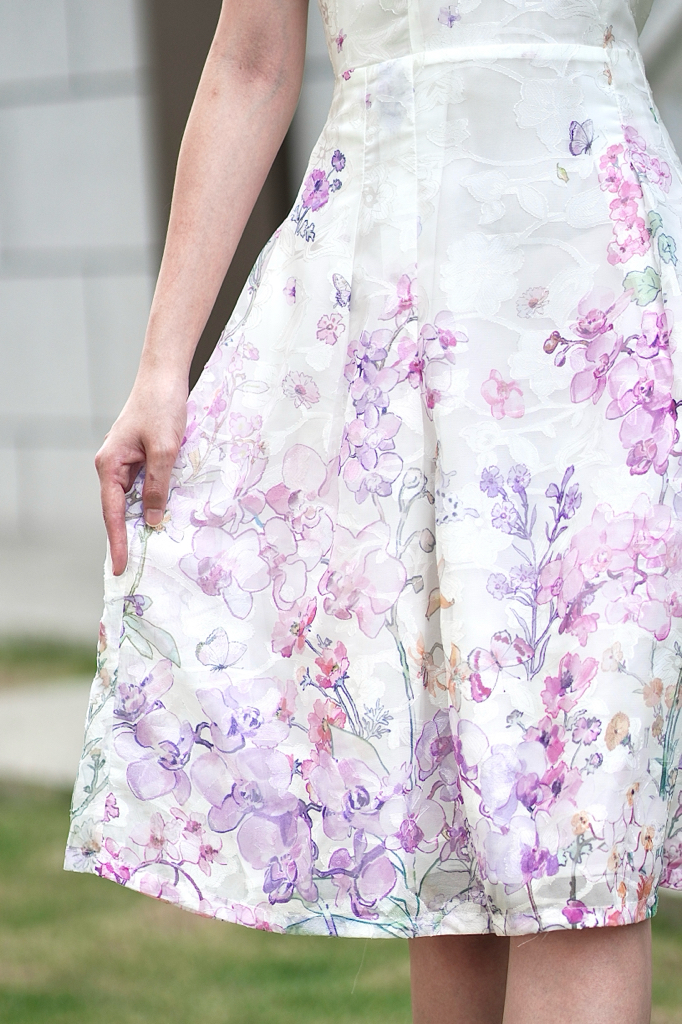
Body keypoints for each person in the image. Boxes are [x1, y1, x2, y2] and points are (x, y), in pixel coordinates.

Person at [64, 0, 680, 1020]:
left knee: (581, 832)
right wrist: (162, 366)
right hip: (383, 318)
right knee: (449, 842)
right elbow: (251, 64)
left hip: (596, 300)